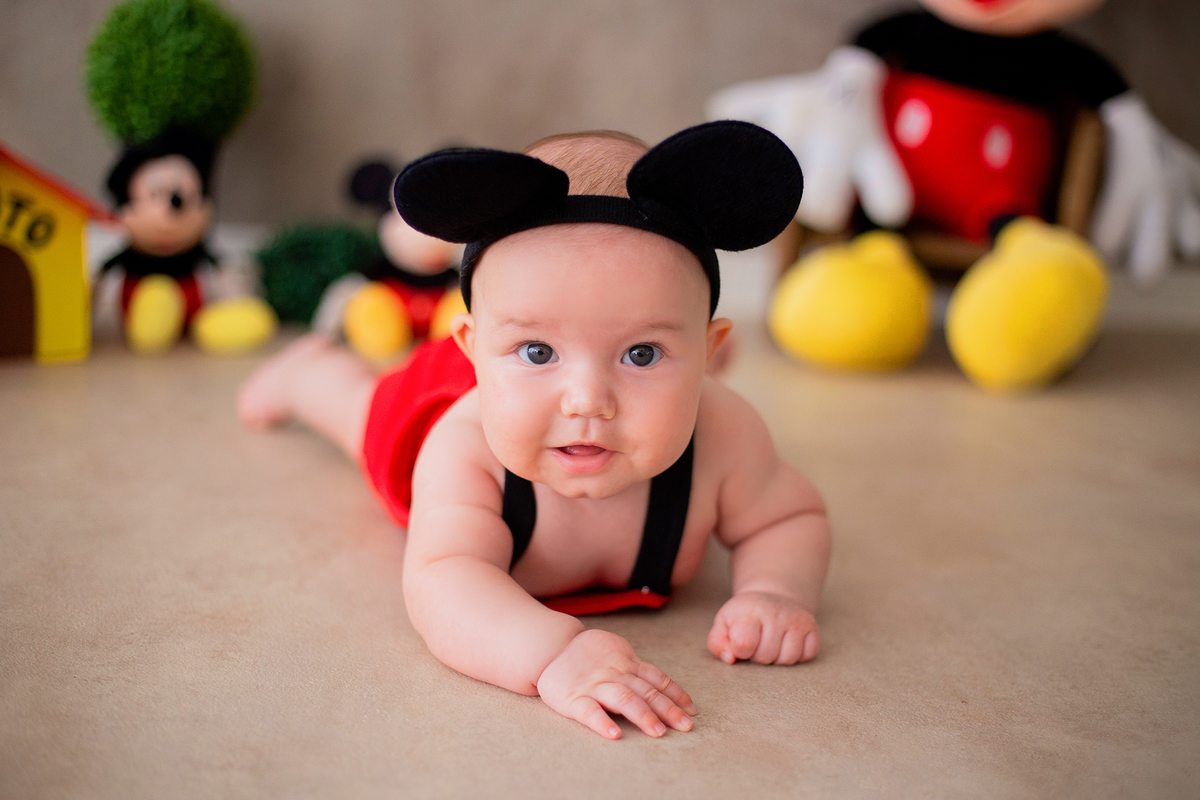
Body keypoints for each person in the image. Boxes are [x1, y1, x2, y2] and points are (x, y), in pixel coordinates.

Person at [237, 122, 832, 739]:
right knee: (363, 414)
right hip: (444, 405)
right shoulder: (462, 452)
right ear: (473, 347)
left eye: (642, 353)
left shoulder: (725, 434)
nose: (588, 401)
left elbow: (788, 518)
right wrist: (549, 653)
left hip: (532, 392)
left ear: (709, 352)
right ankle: (308, 374)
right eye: (539, 350)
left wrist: (776, 591)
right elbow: (444, 580)